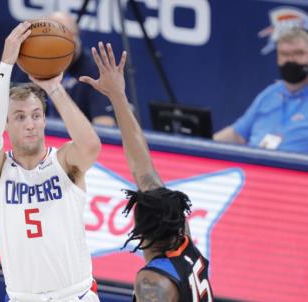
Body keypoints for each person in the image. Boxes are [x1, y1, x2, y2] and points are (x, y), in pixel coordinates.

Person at [80, 42, 213, 301]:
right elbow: (143, 169)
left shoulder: (153, 283)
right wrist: (118, 96)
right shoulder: (182, 240)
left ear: (140, 232)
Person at [0, 21, 101, 302]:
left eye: (36, 115)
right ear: (6, 125)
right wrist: (6, 64)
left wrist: (55, 89)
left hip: (75, 295)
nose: (30, 123)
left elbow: (91, 146)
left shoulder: (65, 162)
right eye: (19, 116)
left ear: (45, 120)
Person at [12, 11, 116, 127]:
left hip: (76, 140)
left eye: (68, 35)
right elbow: (13, 112)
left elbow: (105, 126)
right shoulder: (34, 62)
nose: (61, 41)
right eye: (54, 36)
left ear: (79, 36)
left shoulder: (93, 70)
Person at [214, 27, 308, 153]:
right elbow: (237, 135)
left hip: (294, 169)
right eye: (284, 54)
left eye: (298, 53)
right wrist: (203, 145)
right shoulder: (270, 94)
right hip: (254, 166)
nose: (291, 60)